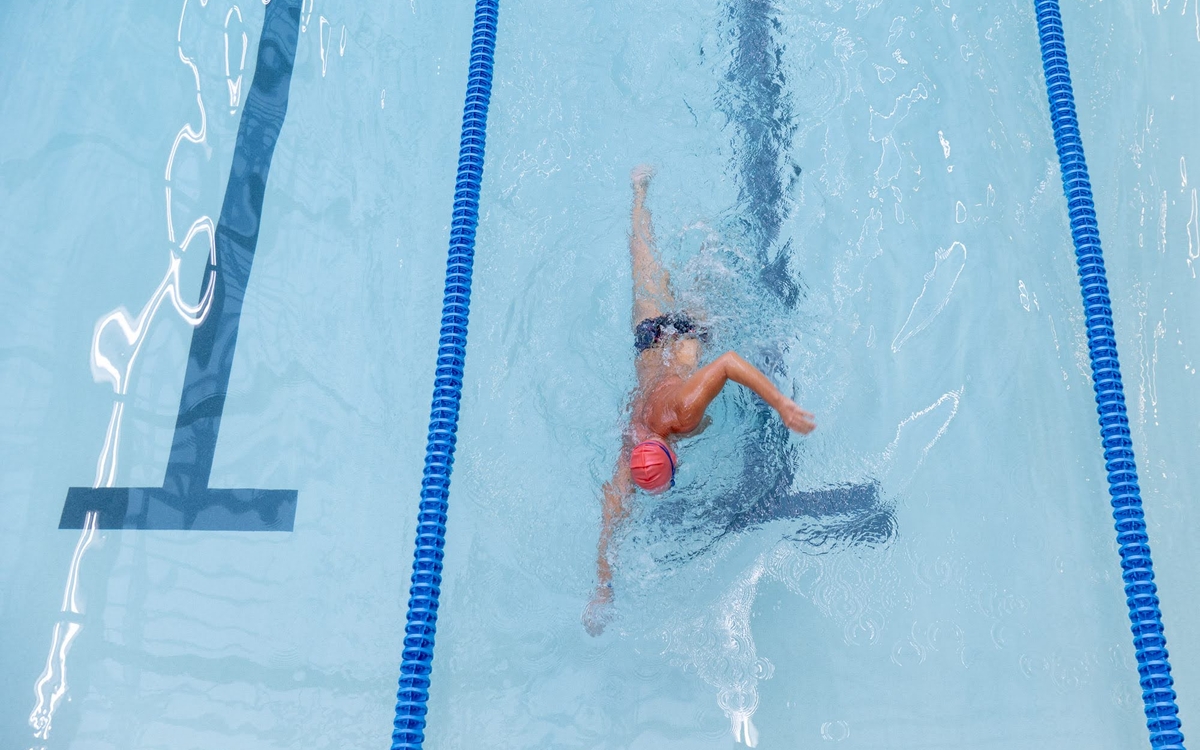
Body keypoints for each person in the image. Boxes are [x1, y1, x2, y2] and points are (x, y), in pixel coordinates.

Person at [583, 166, 816, 636]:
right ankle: (638, 190)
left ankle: (702, 228)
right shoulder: (634, 439)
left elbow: (729, 362)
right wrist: (602, 588)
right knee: (642, 259)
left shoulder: (681, 413)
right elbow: (611, 508)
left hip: (686, 336)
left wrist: (781, 405)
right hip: (649, 341)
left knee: (711, 271)